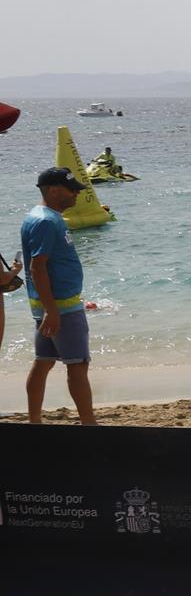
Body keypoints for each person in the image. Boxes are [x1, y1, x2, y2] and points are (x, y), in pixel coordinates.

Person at [23, 168, 95, 424]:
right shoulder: (45, 221)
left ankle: (34, 421)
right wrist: (52, 311)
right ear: (53, 190)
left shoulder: (41, 217)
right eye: (71, 189)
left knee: (43, 362)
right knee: (77, 365)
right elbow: (37, 266)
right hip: (61, 309)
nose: (77, 193)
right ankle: (89, 423)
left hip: (49, 306)